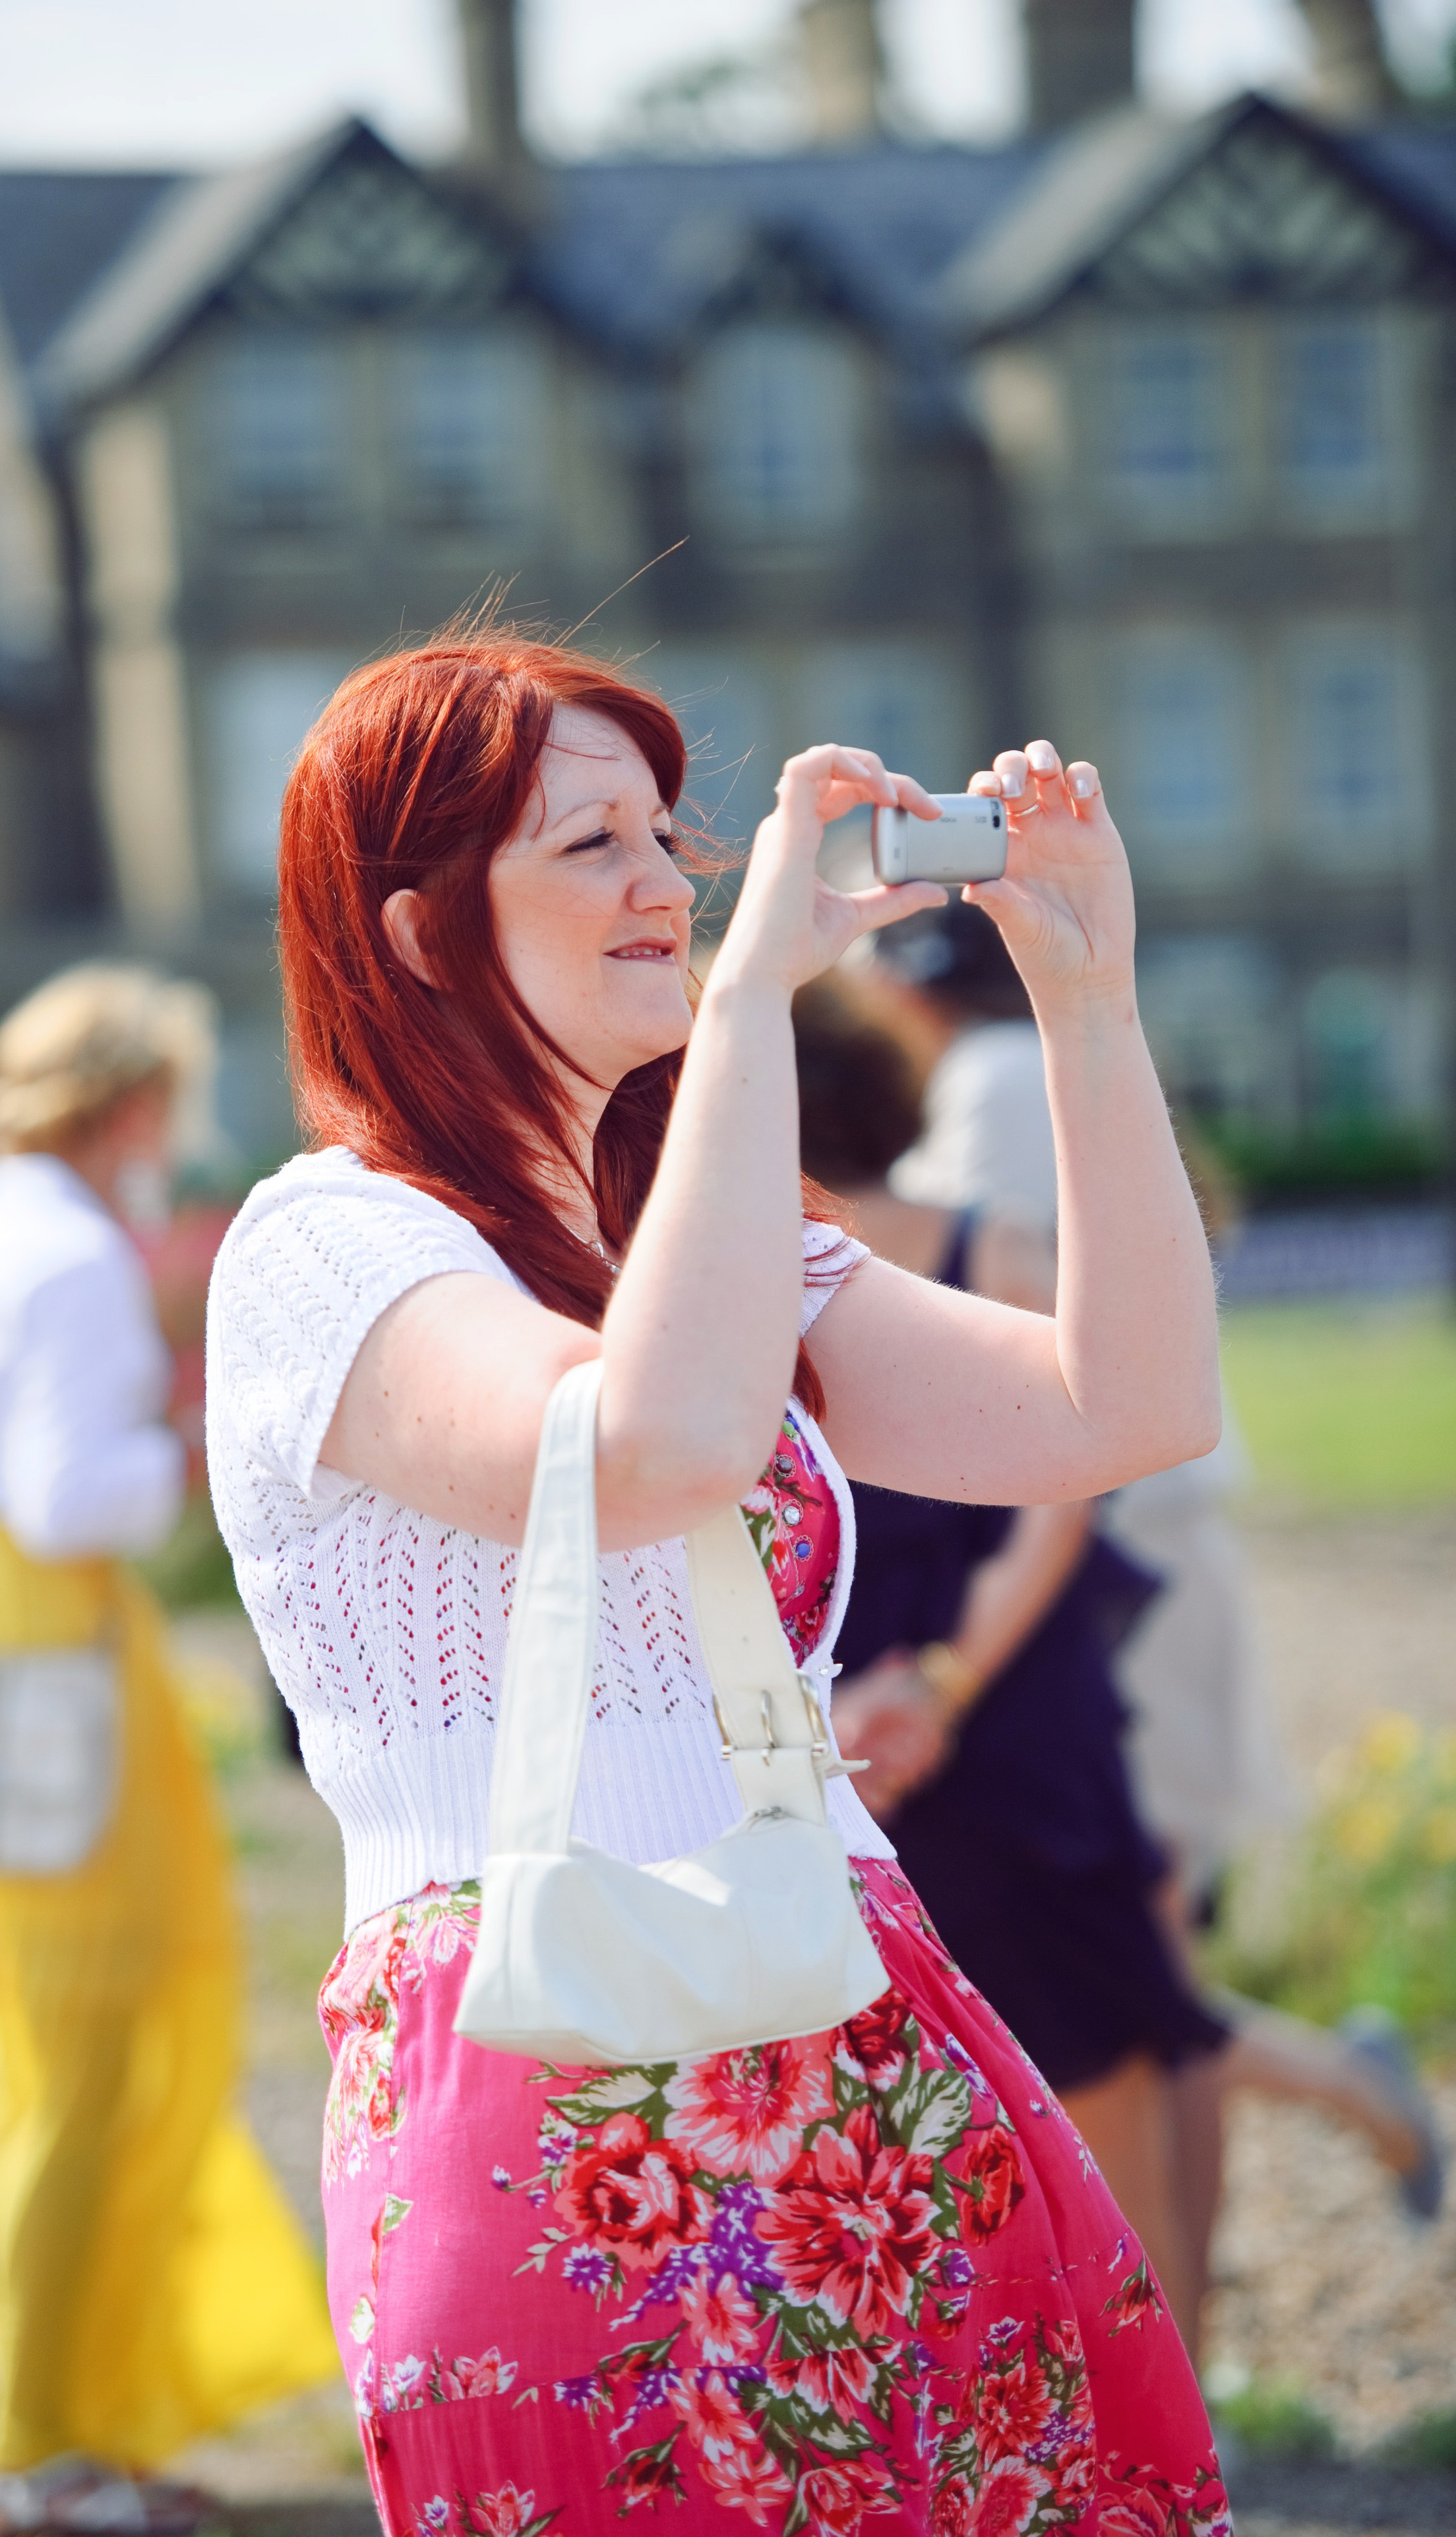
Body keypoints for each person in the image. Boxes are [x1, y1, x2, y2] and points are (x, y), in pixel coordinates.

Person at [204, 628, 1230, 2534]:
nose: (669, 883)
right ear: (422, 933)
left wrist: (1092, 1009)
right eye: (591, 844)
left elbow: (1132, 1403)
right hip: (543, 2067)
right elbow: (648, 1449)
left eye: (669, 836)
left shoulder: (720, 1247)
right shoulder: (323, 1249)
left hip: (854, 2007)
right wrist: (753, 998)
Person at [0, 966, 340, 2537]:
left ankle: (58, 2430)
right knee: (103, 2072)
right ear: (132, 1103)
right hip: (71, 1706)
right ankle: (39, 2453)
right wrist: (193, 1440)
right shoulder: (79, 1261)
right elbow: (68, 1504)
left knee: (15, 2079)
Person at [864, 909, 1445, 2279]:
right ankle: (1211, 2323)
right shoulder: (1037, 1058)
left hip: (1110, 1553)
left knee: (1136, 1976)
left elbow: (916, 1272)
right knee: (1138, 1965)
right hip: (1125, 1541)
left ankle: (1192, 2364)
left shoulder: (985, 1084)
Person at [797, 977, 1231, 2354]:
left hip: (979, 1714)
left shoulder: (986, 1248)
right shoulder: (763, 1284)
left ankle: (1159, 2416)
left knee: (1095, 2047)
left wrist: (935, 1686)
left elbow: (1062, 1505)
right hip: (873, 1724)